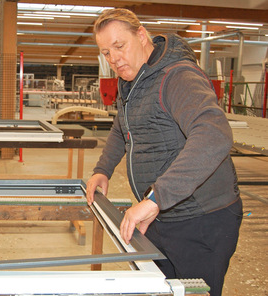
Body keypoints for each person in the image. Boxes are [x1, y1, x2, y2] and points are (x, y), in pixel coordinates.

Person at [85, 8, 242, 296]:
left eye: (119, 46)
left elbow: (214, 133)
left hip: (202, 218)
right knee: (162, 288)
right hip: (162, 212)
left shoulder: (177, 76)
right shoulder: (131, 83)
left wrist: (157, 197)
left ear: (142, 35)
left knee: (193, 291)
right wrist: (102, 169)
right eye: (106, 52)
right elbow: (123, 126)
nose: (114, 59)